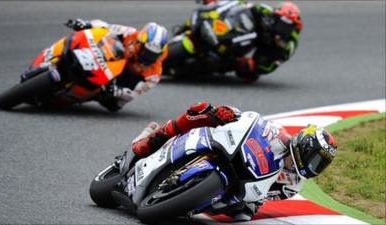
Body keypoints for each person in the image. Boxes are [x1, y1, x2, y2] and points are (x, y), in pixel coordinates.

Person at [129, 101, 337, 221]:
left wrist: (249, 205)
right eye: (315, 158)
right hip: (234, 154)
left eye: (320, 164)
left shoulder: (293, 185)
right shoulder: (277, 134)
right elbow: (250, 121)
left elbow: (263, 199)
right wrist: (230, 114)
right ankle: (155, 138)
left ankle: (186, 199)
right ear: (305, 146)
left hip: (242, 187)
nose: (313, 165)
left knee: (243, 216)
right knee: (202, 110)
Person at [21, 19, 168, 111]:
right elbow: (106, 27)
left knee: (113, 104)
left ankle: (77, 96)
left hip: (120, 81)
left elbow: (136, 91)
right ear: (139, 41)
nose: (147, 57)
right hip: (108, 58)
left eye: (153, 55)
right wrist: (86, 24)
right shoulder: (130, 33)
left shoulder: (155, 72)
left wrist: (119, 92)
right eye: (146, 51)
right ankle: (47, 61)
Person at [176, 0, 303, 82]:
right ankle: (185, 28)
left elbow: (273, 63)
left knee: (248, 73)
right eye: (280, 21)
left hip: (263, 48)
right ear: (275, 14)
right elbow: (242, 4)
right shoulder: (265, 11)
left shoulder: (289, 43)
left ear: (294, 26)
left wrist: (254, 65)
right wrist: (216, 5)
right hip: (246, 31)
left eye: (287, 25)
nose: (282, 27)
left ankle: (210, 67)